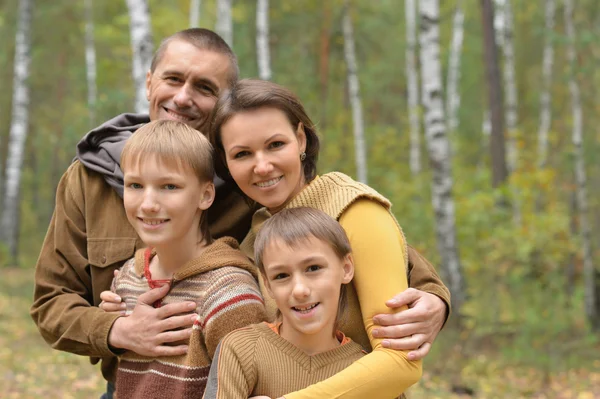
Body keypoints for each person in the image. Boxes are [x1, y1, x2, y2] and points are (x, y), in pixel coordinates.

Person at [30, 27, 448, 398]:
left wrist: (434, 298)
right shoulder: (89, 179)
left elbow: (367, 236)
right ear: (149, 81)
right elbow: (51, 300)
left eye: (205, 88)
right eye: (173, 79)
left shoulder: (250, 183)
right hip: (134, 383)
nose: (182, 97)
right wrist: (117, 329)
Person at [208, 78, 427, 397]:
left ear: (300, 139)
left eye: (275, 145)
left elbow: (401, 360)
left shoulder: (356, 211)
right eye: (242, 154)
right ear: (226, 163)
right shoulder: (257, 229)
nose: (262, 166)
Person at [110, 119, 266, 398]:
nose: (147, 203)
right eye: (135, 185)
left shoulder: (229, 292)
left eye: (169, 186)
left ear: (205, 195)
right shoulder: (127, 278)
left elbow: (253, 388)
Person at [204, 207, 415, 399]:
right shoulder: (241, 350)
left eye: (313, 268)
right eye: (281, 276)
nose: (300, 290)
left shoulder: (368, 371)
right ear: (268, 285)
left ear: (346, 268)